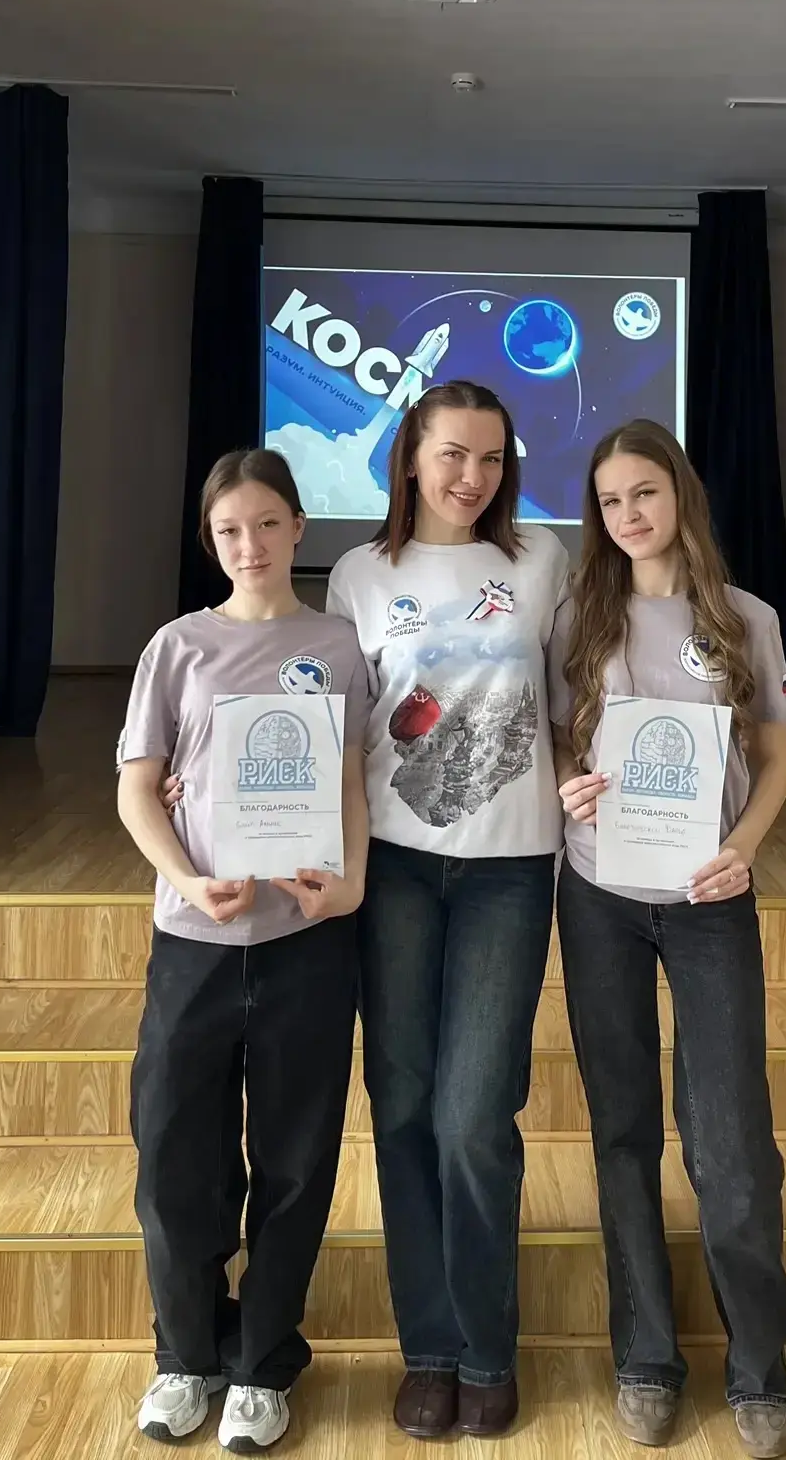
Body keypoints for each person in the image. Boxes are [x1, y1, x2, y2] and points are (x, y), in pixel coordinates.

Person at [548, 419, 786, 1459]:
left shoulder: (746, 619)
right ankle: (646, 1356)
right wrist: (568, 785)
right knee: (623, 1133)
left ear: (680, 494)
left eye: (644, 492)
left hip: (709, 899)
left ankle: (761, 1368)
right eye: (609, 501)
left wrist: (742, 847)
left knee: (731, 1143)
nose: (628, 515)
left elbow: (776, 761)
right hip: (599, 895)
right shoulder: (577, 617)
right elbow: (556, 743)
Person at [326, 379, 569, 1440]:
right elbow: (340, 729)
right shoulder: (360, 574)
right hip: (393, 867)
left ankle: (487, 1347)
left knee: (473, 1116)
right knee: (404, 1105)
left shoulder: (541, 561)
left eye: (492, 457)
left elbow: (578, 696)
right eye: (453, 455)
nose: (473, 476)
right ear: (411, 457)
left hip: (509, 870)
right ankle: (429, 1349)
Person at [117, 448, 371, 1452]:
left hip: (307, 942)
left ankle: (264, 1365)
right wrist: (188, 881)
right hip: (196, 943)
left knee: (297, 1160)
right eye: (229, 530)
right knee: (177, 1156)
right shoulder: (177, 646)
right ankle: (185, 1355)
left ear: (299, 527)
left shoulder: (340, 645)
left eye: (268, 523)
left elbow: (348, 780)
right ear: (210, 540)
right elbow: (138, 789)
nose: (250, 544)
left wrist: (351, 883)